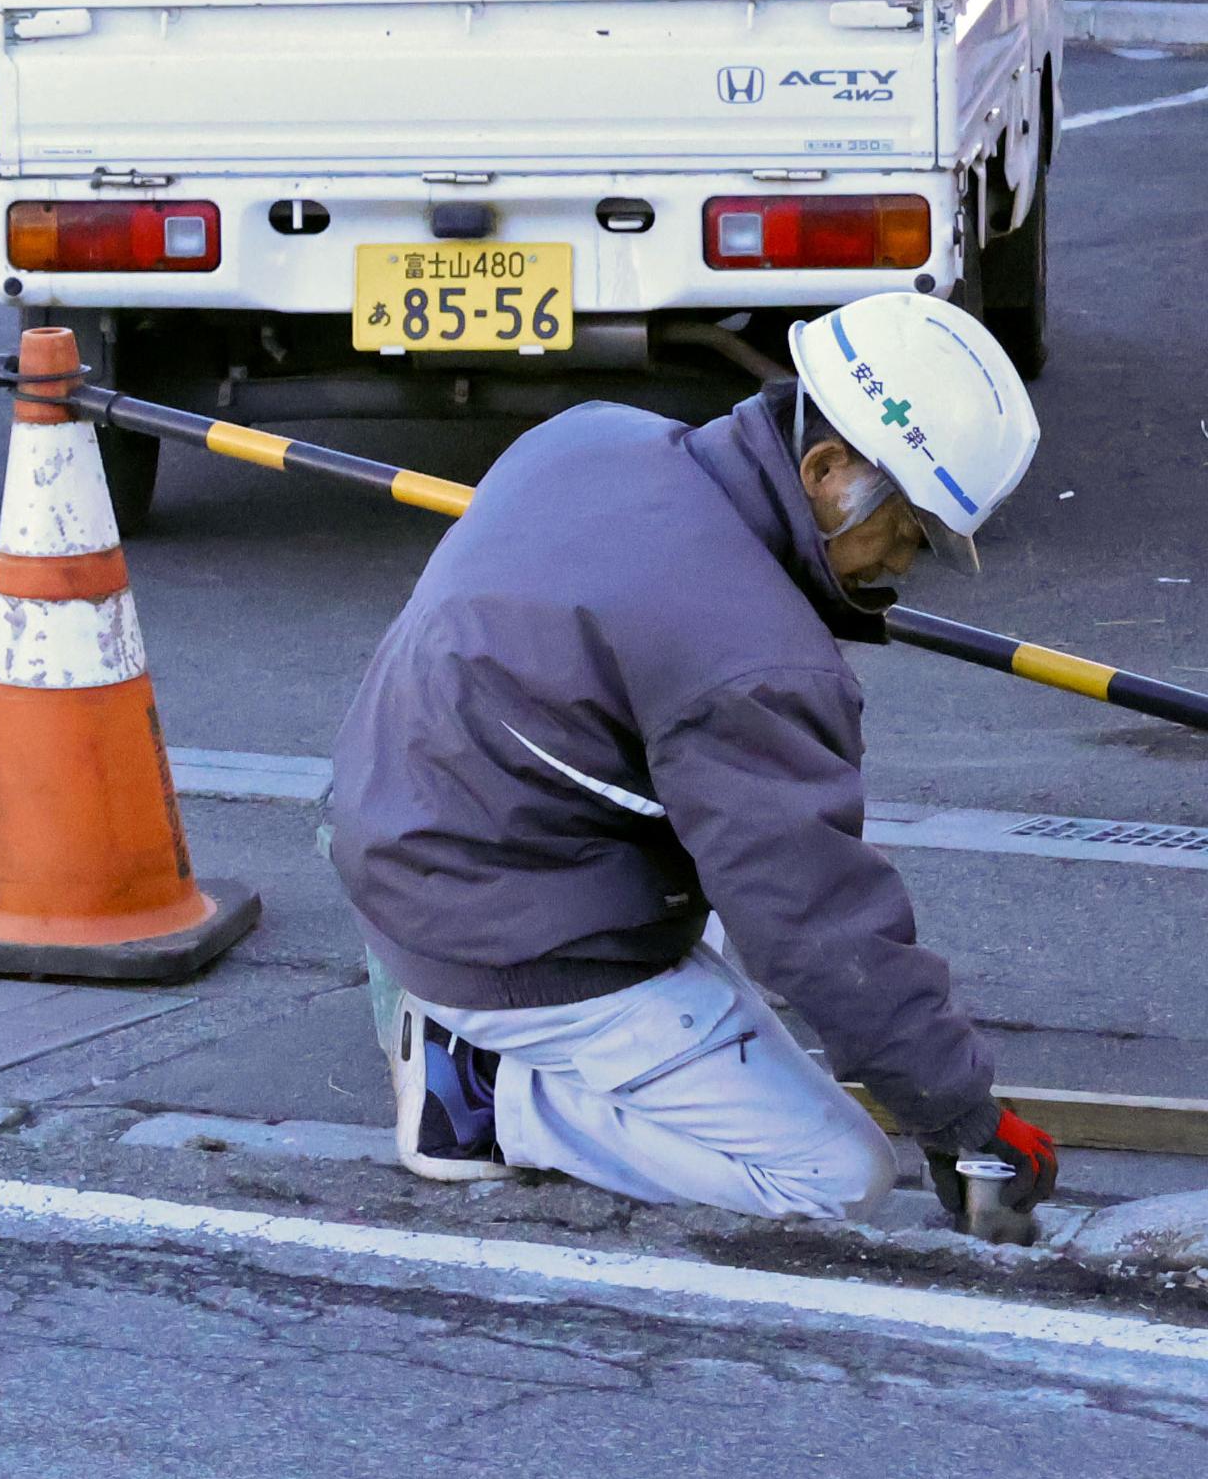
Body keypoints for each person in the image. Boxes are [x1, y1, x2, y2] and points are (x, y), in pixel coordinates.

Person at [331, 291, 1065, 1242]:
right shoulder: (752, 657)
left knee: (738, 930)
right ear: (829, 470)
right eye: (911, 531)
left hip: (405, 825)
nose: (905, 565)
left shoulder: (598, 438)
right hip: (497, 925)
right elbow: (813, 925)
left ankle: (485, 1026)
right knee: (838, 1174)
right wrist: (958, 1120)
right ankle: (483, 1095)